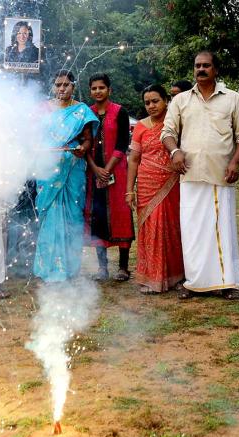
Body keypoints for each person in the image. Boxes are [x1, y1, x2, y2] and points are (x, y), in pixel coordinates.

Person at [162, 51, 239, 300]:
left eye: (206, 66)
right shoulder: (181, 100)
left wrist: (235, 162)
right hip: (189, 174)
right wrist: (175, 151)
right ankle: (194, 283)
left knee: (222, 229)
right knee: (192, 230)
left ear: (216, 70)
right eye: (197, 66)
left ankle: (228, 283)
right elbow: (167, 132)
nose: (200, 69)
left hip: (221, 173)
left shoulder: (232, 98)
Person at [33, 70, 99, 282]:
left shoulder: (81, 111)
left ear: (73, 86)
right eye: (58, 85)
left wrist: (82, 148)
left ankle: (69, 269)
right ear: (53, 87)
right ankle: (47, 269)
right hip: (48, 170)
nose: (62, 89)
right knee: (49, 217)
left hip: (72, 171)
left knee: (72, 217)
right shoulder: (43, 110)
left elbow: (88, 140)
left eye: (66, 85)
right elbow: (34, 138)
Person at [126, 84, 184, 294]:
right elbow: (133, 159)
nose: (151, 106)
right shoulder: (140, 126)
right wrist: (129, 190)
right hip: (146, 185)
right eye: (147, 102)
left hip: (171, 184)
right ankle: (151, 277)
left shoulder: (175, 123)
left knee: (171, 228)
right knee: (150, 230)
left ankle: (176, 275)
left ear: (166, 100)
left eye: (155, 101)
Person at [85, 73, 134, 281]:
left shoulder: (119, 112)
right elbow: (84, 142)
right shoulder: (87, 113)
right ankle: (102, 268)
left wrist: (108, 168)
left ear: (109, 90)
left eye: (101, 88)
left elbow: (123, 143)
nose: (98, 91)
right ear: (90, 91)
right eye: (94, 88)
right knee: (97, 216)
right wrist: (96, 169)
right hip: (94, 173)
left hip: (117, 173)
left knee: (120, 214)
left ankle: (123, 267)